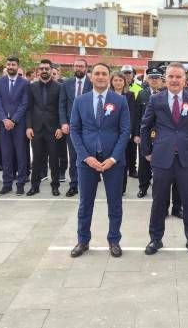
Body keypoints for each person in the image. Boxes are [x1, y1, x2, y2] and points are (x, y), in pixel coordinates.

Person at [140, 62, 188, 256]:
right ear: (165, 78)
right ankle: (155, 239)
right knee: (159, 200)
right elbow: (145, 127)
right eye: (171, 76)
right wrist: (146, 151)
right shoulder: (156, 99)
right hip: (162, 158)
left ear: (185, 79)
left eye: (178, 77)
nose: (174, 80)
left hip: (187, 158)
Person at [68, 63, 131, 258]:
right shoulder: (80, 101)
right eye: (97, 73)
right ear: (91, 77)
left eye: (104, 73)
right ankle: (83, 240)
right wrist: (86, 157)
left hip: (113, 162)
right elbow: (75, 130)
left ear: (109, 77)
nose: (101, 77)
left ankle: (114, 240)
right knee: (85, 203)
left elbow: (125, 131)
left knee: (115, 203)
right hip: (87, 162)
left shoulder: (119, 101)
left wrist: (113, 158)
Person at [25, 59, 64, 197]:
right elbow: (28, 108)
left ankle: (55, 186)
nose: (44, 71)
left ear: (51, 70)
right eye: (41, 69)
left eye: (46, 68)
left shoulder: (59, 87)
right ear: (38, 71)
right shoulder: (32, 87)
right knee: (36, 160)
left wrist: (60, 126)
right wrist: (28, 126)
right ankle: (34, 186)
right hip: (36, 129)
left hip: (53, 129)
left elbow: (61, 108)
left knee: (54, 159)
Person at [0, 56, 29, 195]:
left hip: (19, 124)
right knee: (6, 155)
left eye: (13, 64)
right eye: (8, 64)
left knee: (21, 155)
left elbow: (24, 103)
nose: (10, 67)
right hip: (3, 125)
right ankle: (7, 184)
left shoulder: (25, 83)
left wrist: (13, 120)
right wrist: (4, 119)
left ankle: (20, 183)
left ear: (17, 66)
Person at [59, 59, 92, 197]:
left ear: (86, 68)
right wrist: (63, 123)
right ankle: (74, 185)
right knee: (73, 156)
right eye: (76, 66)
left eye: (81, 66)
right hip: (71, 127)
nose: (79, 68)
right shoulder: (66, 84)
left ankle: (88, 183)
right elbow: (62, 104)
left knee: (88, 156)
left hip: (89, 127)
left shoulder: (92, 84)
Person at [135, 68, 165, 198]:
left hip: (162, 134)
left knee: (162, 162)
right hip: (145, 133)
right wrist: (136, 134)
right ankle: (143, 187)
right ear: (147, 79)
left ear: (161, 80)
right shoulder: (142, 94)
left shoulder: (167, 94)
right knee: (143, 162)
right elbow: (137, 116)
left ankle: (160, 187)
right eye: (152, 77)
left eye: (157, 78)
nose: (154, 80)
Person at [109, 71, 139, 196]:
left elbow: (132, 115)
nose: (118, 83)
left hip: (125, 133)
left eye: (120, 80)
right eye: (115, 80)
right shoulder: (107, 96)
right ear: (111, 82)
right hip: (110, 133)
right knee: (111, 160)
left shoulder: (130, 95)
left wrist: (130, 131)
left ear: (124, 82)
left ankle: (122, 188)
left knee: (123, 162)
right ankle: (112, 186)